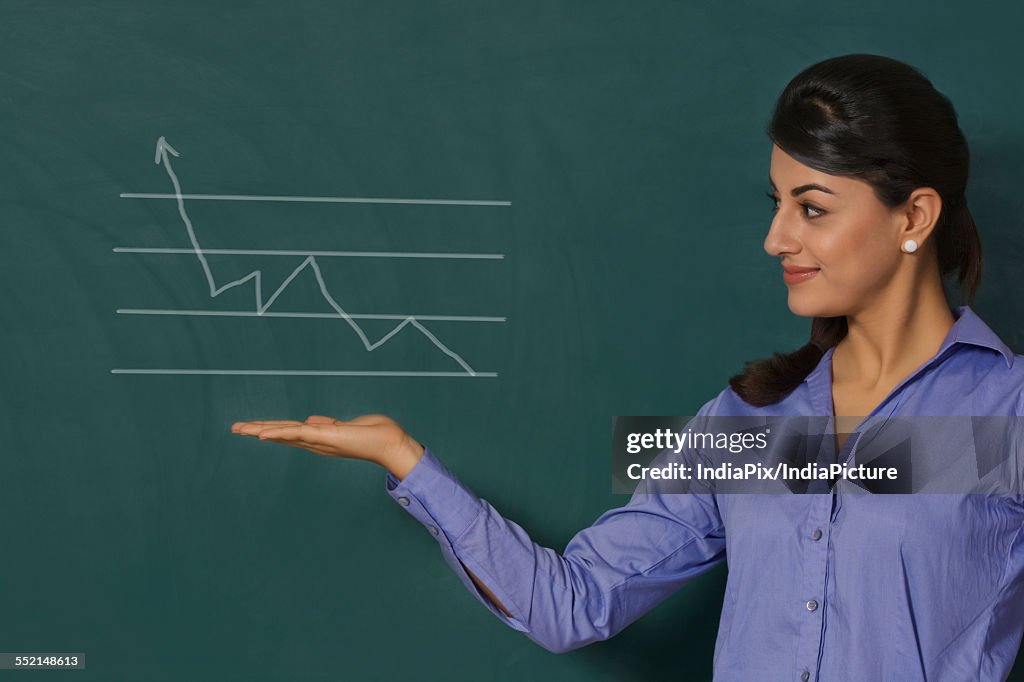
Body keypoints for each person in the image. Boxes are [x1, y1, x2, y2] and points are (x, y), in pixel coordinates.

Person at [231, 53, 1024, 681]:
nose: (776, 238)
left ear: (913, 216)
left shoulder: (1007, 416)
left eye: (812, 207)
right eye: (776, 203)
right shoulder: (749, 424)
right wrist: (406, 460)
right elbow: (573, 607)